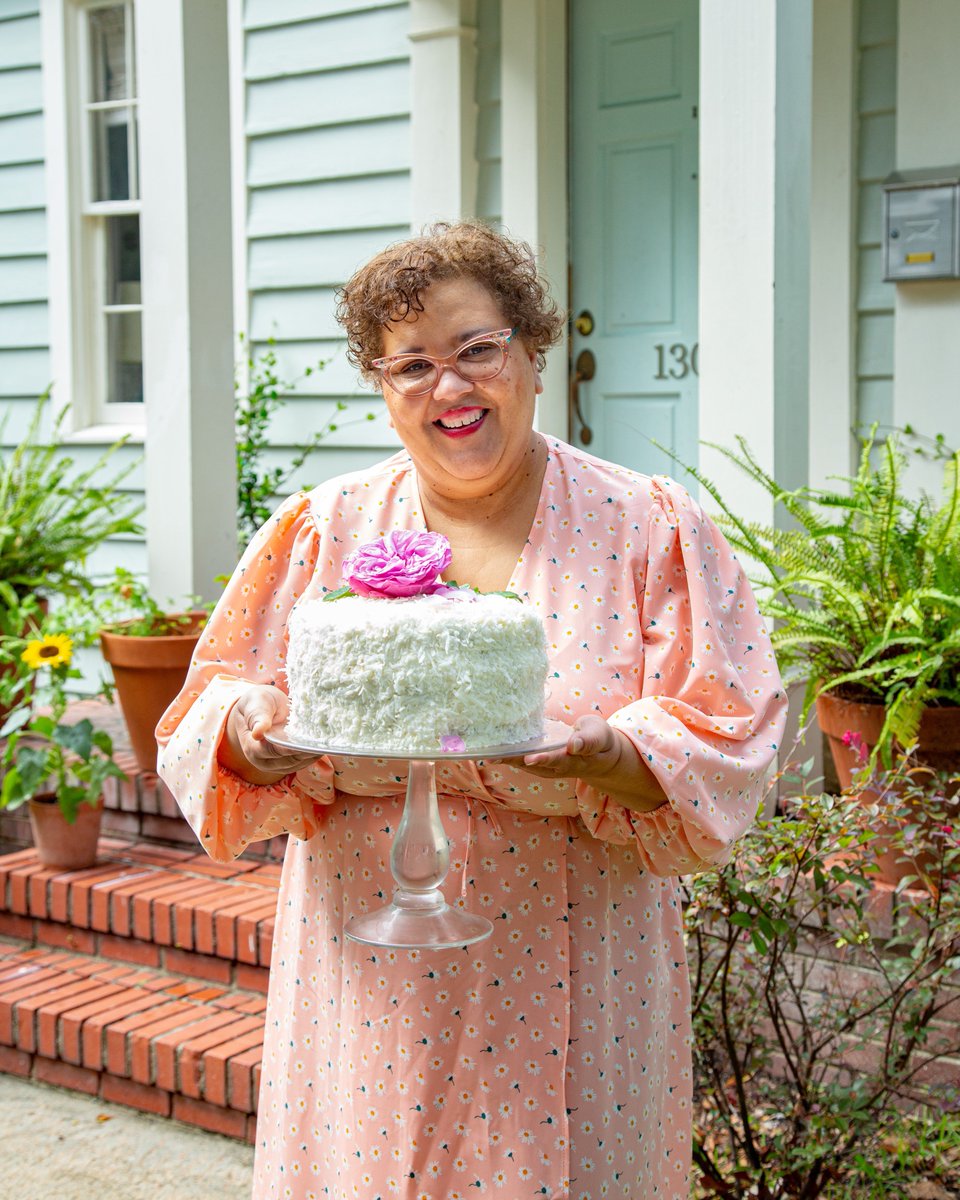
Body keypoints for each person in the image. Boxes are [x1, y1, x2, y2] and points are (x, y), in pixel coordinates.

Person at [157, 221, 787, 1200]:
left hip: (580, 967)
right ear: (381, 383)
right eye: (412, 364)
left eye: (476, 350)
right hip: (368, 977)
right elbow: (213, 701)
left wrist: (608, 752)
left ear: (533, 351)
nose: (449, 387)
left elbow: (731, 729)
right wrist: (248, 732)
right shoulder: (325, 528)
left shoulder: (647, 526)